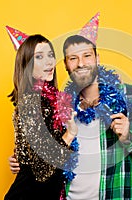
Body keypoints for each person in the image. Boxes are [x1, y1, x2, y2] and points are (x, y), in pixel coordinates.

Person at [9, 13, 132, 199]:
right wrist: (24, 162)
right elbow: (42, 148)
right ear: (66, 65)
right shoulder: (60, 104)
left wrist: (128, 137)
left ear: (97, 58)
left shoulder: (130, 96)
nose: (81, 63)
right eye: (73, 58)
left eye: (87, 55)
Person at [4, 33, 78, 200]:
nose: (49, 61)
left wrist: (22, 157)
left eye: (50, 55)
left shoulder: (48, 102)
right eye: (39, 57)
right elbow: (43, 168)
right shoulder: (31, 103)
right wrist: (70, 134)